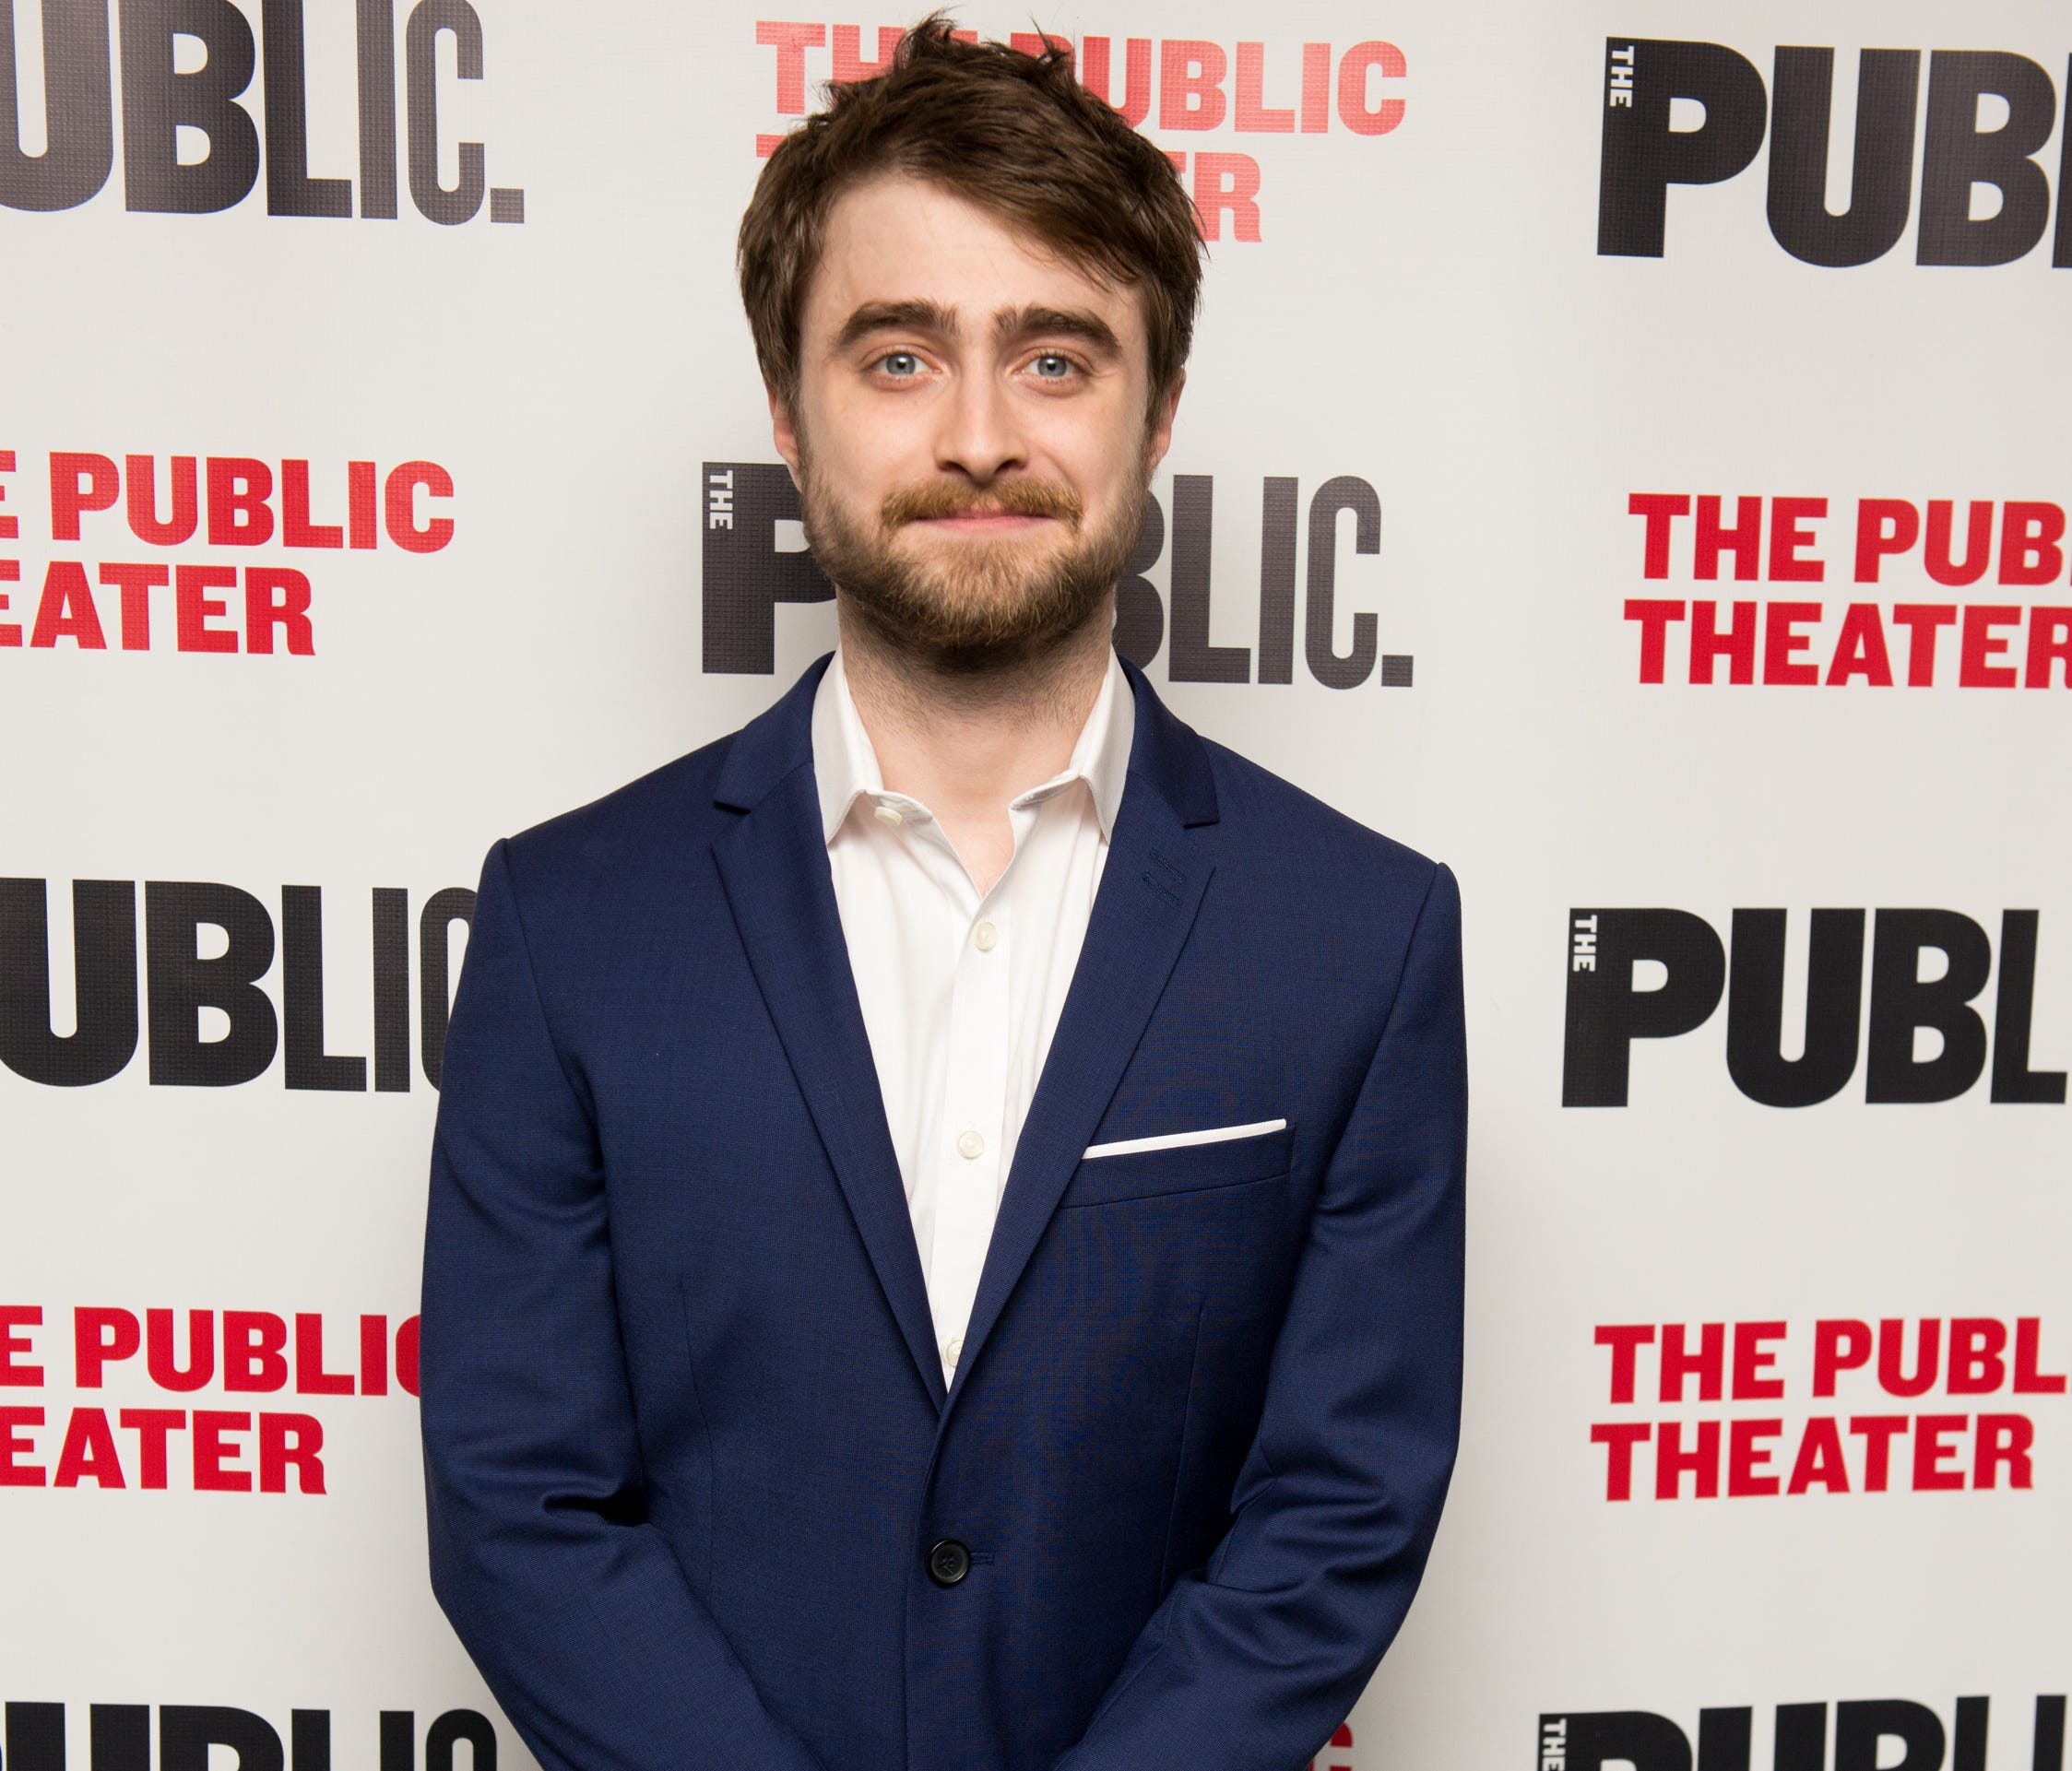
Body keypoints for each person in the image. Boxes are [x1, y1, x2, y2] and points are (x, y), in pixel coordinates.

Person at [419, 19, 1465, 1771]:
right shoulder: (564, 924)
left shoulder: (1362, 934)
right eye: (899, 357)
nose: (981, 435)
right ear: (786, 407)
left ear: (1160, 408)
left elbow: (1336, 1511)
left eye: (1056, 358)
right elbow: (520, 1506)